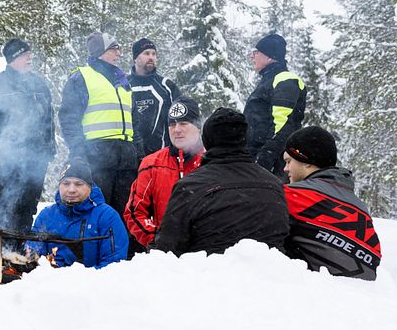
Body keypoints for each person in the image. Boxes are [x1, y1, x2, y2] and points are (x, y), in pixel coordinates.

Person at [154, 108, 289, 256]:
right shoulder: (274, 185)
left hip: (209, 273)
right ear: (244, 139)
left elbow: (166, 250)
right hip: (269, 275)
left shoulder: (191, 186)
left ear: (207, 140)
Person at [0, 38, 55, 249]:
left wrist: (49, 149)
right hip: (7, 158)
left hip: (36, 159)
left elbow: (48, 119)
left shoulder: (39, 84)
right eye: (24, 54)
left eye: (30, 53)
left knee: (27, 208)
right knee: (4, 208)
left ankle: (18, 254)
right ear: (12, 58)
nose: (30, 58)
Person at [282, 126, 381, 280]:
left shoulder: (294, 194)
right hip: (365, 294)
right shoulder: (359, 205)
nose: (285, 169)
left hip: (320, 293)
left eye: (289, 161)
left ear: (307, 161)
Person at [58, 31, 138, 221]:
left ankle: (122, 251)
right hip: (96, 157)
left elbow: (135, 122)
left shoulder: (123, 81)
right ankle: (94, 250)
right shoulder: (82, 78)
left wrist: (138, 152)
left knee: (124, 213)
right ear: (100, 52)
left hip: (126, 158)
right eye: (113, 49)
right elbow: (69, 119)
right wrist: (79, 152)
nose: (119, 54)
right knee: (96, 213)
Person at [124, 96, 204, 249]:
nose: (177, 130)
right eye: (172, 124)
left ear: (198, 127)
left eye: (183, 123)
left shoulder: (211, 161)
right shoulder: (151, 164)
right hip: (164, 256)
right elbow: (134, 212)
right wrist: (156, 239)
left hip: (205, 254)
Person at [27, 160, 128, 268]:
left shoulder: (107, 216)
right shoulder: (47, 215)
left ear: (90, 187)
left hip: (92, 282)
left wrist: (78, 279)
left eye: (79, 184)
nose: (71, 190)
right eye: (66, 183)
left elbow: (113, 265)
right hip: (48, 281)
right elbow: (34, 251)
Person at [243, 34, 307, 178]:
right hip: (257, 160)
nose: (252, 56)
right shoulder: (268, 81)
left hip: (275, 165)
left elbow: (282, 125)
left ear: (269, 56)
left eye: (256, 52)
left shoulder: (286, 79)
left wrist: (263, 160)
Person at [129, 38, 181, 158]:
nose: (151, 57)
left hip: (161, 158)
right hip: (130, 159)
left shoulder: (167, 86)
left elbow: (179, 120)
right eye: (146, 53)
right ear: (136, 58)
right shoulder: (123, 86)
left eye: (154, 54)